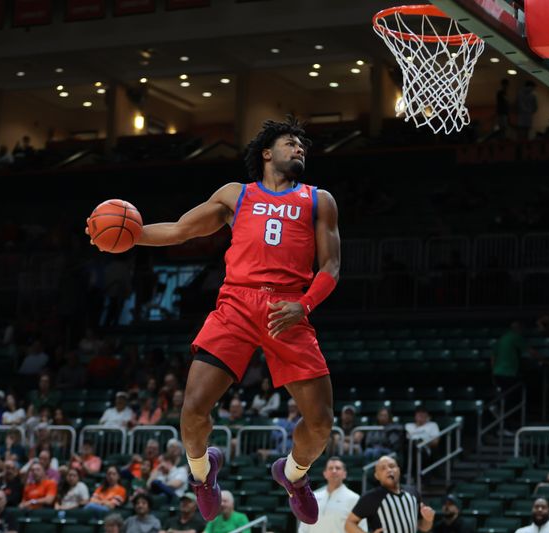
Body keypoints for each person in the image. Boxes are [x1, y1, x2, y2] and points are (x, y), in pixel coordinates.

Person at [88, 117, 341, 525]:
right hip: (236, 306)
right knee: (192, 410)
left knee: (321, 422)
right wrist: (126, 236)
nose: (299, 150)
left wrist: (305, 305)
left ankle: (293, 476)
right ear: (266, 152)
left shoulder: (319, 199)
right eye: (291, 143)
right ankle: (203, 477)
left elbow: (330, 266)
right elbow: (180, 230)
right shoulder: (235, 196)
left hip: (289, 309)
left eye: (302, 146)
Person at [345, 455, 435, 533]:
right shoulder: (370, 497)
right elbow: (349, 524)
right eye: (383, 468)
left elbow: (423, 527)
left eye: (392, 466)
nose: (388, 470)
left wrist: (428, 519)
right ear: (377, 476)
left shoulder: (413, 492)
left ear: (398, 470)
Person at [299, 457, 363, 533]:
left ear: (344, 474)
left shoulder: (354, 498)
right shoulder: (313, 497)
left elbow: (361, 528)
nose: (334, 471)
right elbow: (303, 527)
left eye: (338, 468)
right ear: (325, 474)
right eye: (330, 468)